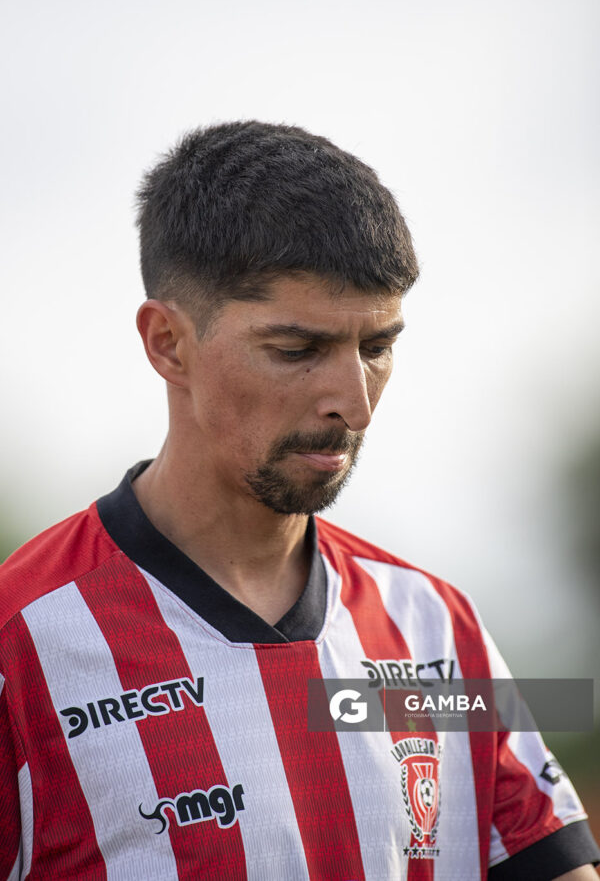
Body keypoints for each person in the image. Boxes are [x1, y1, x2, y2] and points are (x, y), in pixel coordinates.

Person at [0, 121, 598, 881]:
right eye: (297, 351)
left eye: (377, 348)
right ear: (167, 344)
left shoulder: (436, 629)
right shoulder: (23, 641)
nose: (355, 403)